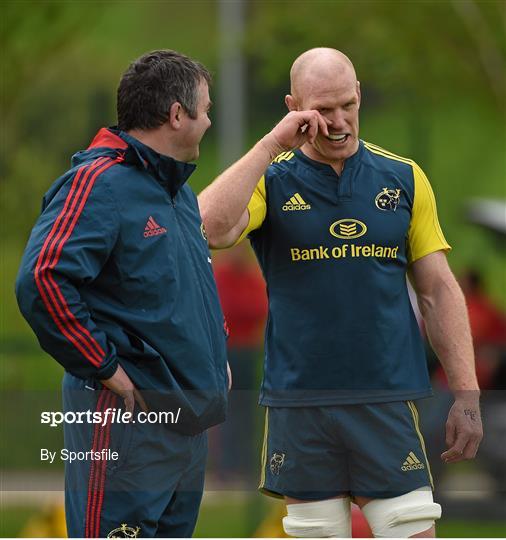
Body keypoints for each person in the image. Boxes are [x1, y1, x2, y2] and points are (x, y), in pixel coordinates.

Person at [198, 48, 483, 538]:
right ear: (294, 107)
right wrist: (269, 145)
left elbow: (437, 290)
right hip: (301, 406)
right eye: (321, 110)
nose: (337, 121)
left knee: (412, 530)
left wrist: (467, 393)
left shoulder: (404, 179)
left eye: (347, 105)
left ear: (360, 97)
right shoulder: (272, 179)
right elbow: (208, 227)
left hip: (386, 402)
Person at [16, 50, 229, 538]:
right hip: (125, 422)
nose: (211, 119)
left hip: (186, 429)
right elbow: (42, 279)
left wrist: (216, 349)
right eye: (207, 108)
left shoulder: (179, 193)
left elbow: (185, 287)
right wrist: (105, 366)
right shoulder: (99, 183)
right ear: (177, 114)